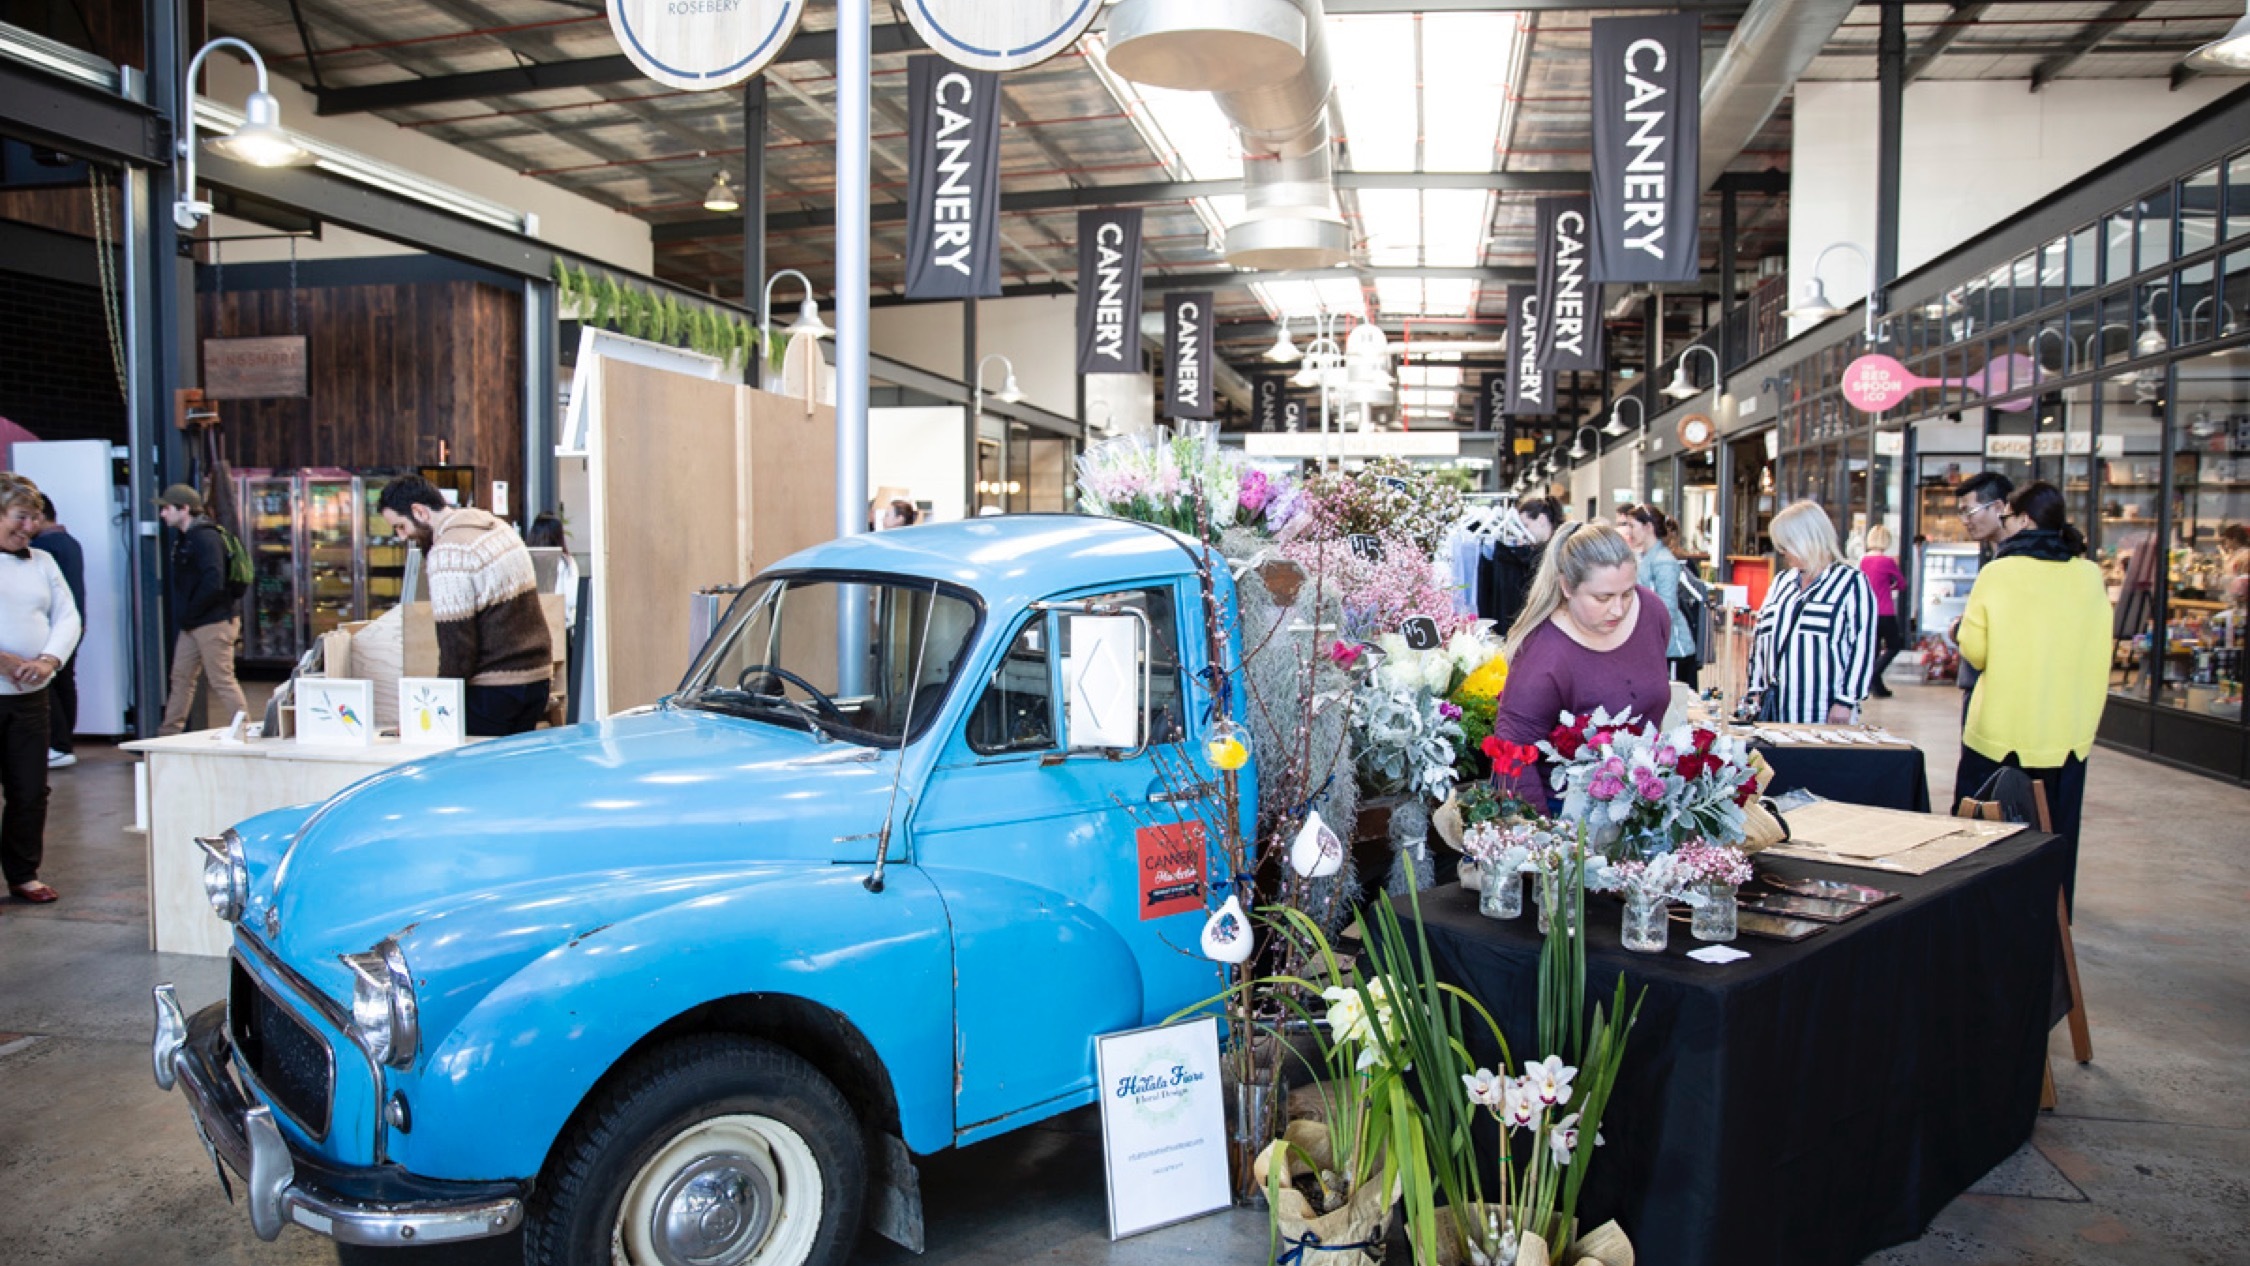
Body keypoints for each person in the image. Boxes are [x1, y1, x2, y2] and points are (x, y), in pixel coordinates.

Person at [1956, 481, 2109, 856]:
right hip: (2067, 737)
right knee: (2056, 836)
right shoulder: (2089, 575)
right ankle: (2051, 913)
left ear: (2024, 520)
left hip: (2000, 733)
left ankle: (1990, 915)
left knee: (1984, 841)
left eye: (2007, 517)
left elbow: (1975, 652)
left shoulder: (1999, 573)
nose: (2004, 525)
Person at [1487, 522, 1672, 807]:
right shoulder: (1543, 653)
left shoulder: (1653, 612)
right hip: (1568, 814)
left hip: (1643, 804)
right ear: (1567, 587)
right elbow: (1512, 751)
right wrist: (1542, 836)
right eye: (1603, 598)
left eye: (1627, 593)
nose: (1619, 609)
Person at [378, 477, 554, 737]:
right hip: (537, 679)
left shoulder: (449, 552)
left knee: (471, 773)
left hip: (495, 691)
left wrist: (436, 710)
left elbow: (458, 651)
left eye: (401, 526)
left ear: (419, 511)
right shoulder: (496, 527)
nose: (402, 537)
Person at [0, 474, 81, 906]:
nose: (29, 526)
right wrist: (8, 662)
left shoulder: (43, 563)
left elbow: (68, 617)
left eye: (33, 519)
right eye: (20, 517)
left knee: (30, 789)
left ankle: (23, 873)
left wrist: (46, 661)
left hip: (31, 696)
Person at [1744, 501, 1878, 725]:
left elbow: (1862, 647)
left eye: (1787, 544)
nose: (1783, 552)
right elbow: (1761, 640)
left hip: (1825, 713)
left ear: (1807, 539)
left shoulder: (1851, 583)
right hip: (1774, 712)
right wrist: (1755, 689)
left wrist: (1845, 701)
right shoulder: (1781, 582)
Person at [155, 484, 248, 737]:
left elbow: (213, 581)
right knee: (181, 678)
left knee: (221, 679)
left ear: (184, 509)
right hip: (196, 622)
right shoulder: (188, 538)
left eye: (166, 508)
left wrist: (193, 612)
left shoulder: (205, 538)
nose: (162, 514)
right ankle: (168, 735)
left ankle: (244, 731)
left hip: (213, 621)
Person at [1951, 471, 2017, 710]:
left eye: (1968, 511)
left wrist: (1961, 630)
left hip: (1996, 689)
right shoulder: (1996, 556)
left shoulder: (2015, 563)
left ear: (1998, 507)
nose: (1965, 521)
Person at [1619, 503, 1698, 686]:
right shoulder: (1645, 558)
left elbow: (1667, 609)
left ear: (1648, 527)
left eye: (1632, 526)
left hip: (1672, 650)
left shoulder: (1664, 562)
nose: (1628, 531)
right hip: (1655, 646)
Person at [33, 496, 84, 766]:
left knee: (48, 686)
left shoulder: (42, 550)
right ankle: (64, 743)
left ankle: (56, 743)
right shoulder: (70, 543)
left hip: (53, 632)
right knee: (65, 683)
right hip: (73, 627)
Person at [1480, 495, 1560, 631]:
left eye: (1525, 525)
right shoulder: (1542, 551)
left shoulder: (1553, 553)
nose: (1522, 532)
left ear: (1541, 519)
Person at [1857, 524, 1908, 698]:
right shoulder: (1887, 561)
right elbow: (1902, 584)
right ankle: (1873, 674)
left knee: (1874, 649)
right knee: (1894, 645)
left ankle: (1877, 688)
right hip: (1885, 610)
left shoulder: (1863, 561)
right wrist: (1890, 585)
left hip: (1868, 612)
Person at [525, 512, 580, 631]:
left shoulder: (526, 561)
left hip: (531, 625)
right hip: (559, 624)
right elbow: (572, 599)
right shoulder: (566, 563)